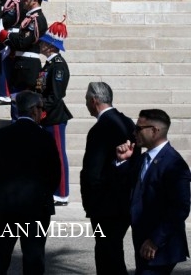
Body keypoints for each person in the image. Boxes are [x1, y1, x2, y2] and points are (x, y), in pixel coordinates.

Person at [0, 90, 61, 275]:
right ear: (34, 110)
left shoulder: (0, 135)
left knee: (0, 258)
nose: (42, 113)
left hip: (7, 205)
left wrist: (5, 192)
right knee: (34, 260)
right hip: (36, 208)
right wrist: (41, 195)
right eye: (41, 109)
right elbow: (55, 175)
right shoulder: (45, 137)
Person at [116, 109, 191, 274]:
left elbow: (180, 208)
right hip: (144, 242)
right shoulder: (144, 158)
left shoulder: (174, 163)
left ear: (155, 131)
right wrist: (123, 161)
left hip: (160, 248)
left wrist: (155, 240)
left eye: (139, 128)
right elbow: (129, 187)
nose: (134, 133)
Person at [80, 82, 136, 275]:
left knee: (107, 255)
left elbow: (92, 172)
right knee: (112, 252)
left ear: (94, 100)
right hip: (125, 200)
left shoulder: (100, 128)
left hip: (105, 204)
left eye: (87, 99)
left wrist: (90, 202)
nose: (86, 103)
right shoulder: (128, 122)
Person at [0, 0, 48, 95]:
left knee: (21, 106)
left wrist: (4, 35)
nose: (24, 0)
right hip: (21, 65)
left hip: (27, 67)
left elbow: (22, 42)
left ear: (35, 0)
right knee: (15, 104)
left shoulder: (37, 20)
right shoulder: (31, 17)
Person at [36, 17, 72, 206]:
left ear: (50, 46)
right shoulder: (50, 64)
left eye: (44, 42)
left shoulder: (58, 66)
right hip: (46, 116)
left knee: (58, 154)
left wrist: (42, 110)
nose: (40, 44)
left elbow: (55, 95)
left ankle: (62, 193)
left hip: (54, 116)